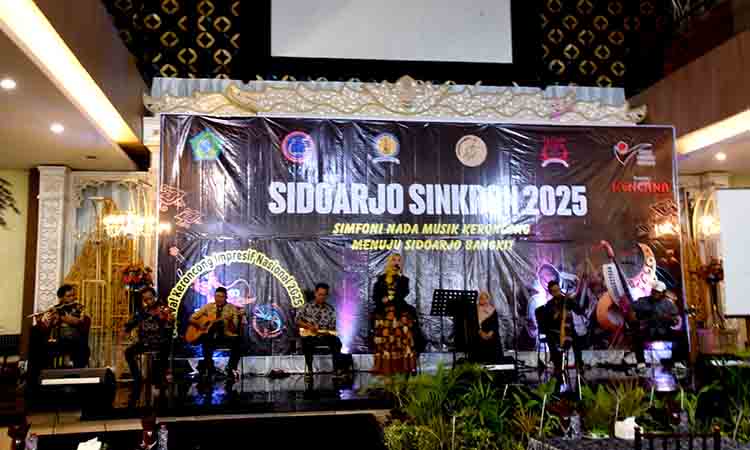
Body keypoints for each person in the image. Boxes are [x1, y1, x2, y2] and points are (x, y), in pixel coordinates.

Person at [371, 253, 422, 375]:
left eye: (399, 260)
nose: (396, 262)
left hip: (399, 312)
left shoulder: (403, 280)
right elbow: (375, 296)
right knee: (386, 341)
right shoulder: (381, 279)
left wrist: (399, 277)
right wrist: (382, 299)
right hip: (384, 312)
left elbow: (403, 293)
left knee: (403, 340)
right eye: (394, 260)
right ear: (389, 262)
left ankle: (404, 367)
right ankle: (387, 368)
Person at [121, 287, 174, 386]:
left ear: (155, 297)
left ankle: (162, 376)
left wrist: (168, 320)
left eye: (150, 298)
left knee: (166, 346)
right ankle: (137, 377)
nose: (148, 301)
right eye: (145, 299)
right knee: (128, 352)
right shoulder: (142, 311)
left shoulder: (163, 309)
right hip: (144, 342)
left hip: (159, 342)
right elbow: (131, 323)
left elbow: (170, 326)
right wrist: (126, 330)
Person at [535, 280, 584, 382]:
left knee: (577, 340)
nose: (557, 292)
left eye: (558, 290)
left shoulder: (567, 300)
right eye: (554, 291)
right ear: (551, 293)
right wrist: (555, 316)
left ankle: (579, 364)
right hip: (555, 331)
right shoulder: (549, 304)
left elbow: (579, 311)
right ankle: (557, 365)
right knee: (550, 339)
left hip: (568, 330)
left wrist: (573, 302)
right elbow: (546, 322)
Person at [189, 286, 242, 381]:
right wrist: (200, 324)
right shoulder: (208, 306)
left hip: (225, 336)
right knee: (206, 338)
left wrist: (230, 321)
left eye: (221, 297)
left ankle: (230, 368)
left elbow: (234, 328)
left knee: (238, 341)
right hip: (210, 336)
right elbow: (192, 318)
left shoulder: (232, 308)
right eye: (217, 296)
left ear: (226, 297)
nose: (219, 299)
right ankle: (209, 367)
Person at [297, 283, 343, 379]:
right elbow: (297, 320)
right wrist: (308, 326)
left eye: (324, 295)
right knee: (306, 343)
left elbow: (332, 327)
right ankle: (310, 370)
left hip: (324, 336)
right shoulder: (307, 306)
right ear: (315, 293)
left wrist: (327, 331)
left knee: (337, 342)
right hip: (310, 335)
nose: (322, 297)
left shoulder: (330, 309)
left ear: (327, 295)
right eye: (320, 294)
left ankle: (336, 370)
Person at [631, 281, 679, 371]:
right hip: (647, 330)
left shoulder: (668, 304)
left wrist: (672, 320)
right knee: (637, 336)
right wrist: (636, 321)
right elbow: (631, 311)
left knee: (679, 336)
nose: (655, 293)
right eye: (654, 291)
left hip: (663, 331)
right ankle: (641, 363)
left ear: (663, 293)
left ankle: (677, 362)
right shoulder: (642, 301)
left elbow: (675, 320)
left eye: (658, 292)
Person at [475, 291, 501, 364]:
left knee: (495, 338)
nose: (483, 300)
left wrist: (490, 333)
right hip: (479, 333)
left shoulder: (492, 309)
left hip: (491, 334)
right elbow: (473, 324)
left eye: (485, 298)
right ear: (479, 299)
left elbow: (496, 324)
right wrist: (481, 332)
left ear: (488, 299)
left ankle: (494, 362)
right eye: (481, 298)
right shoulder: (475, 309)